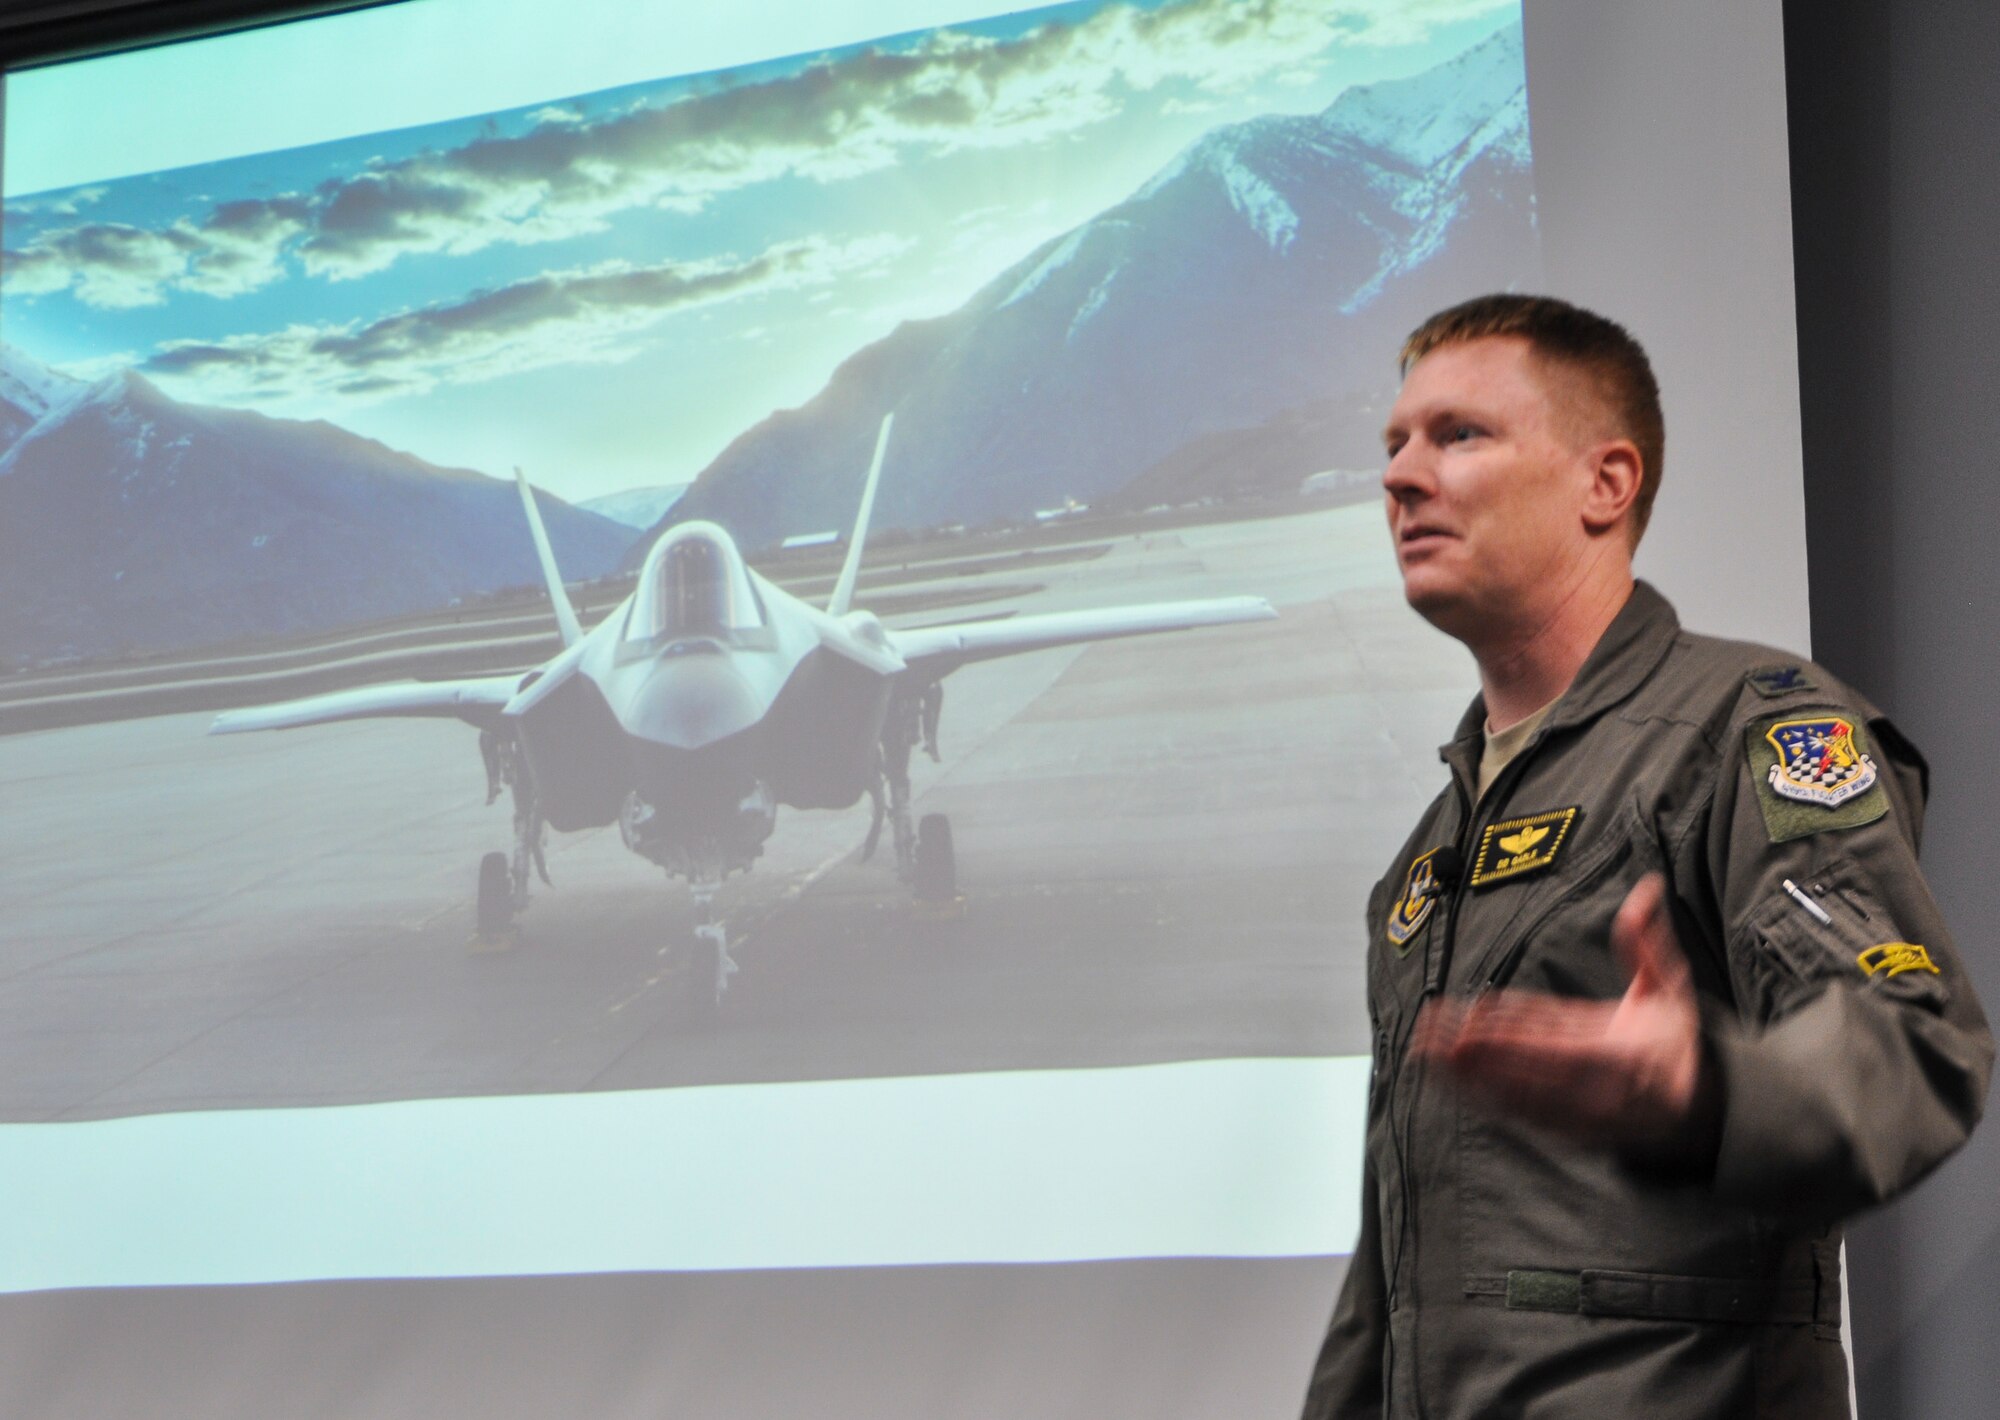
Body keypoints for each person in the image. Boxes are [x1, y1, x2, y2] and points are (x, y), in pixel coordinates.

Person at [1301, 294, 1992, 1418]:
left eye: (1456, 435)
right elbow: (1387, 1287)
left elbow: (1910, 1044)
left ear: (1604, 484)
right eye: (1393, 443)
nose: (1399, 476)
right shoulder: (1425, 862)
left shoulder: (1749, 732)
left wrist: (1704, 1085)